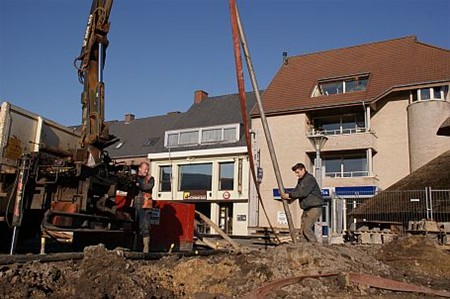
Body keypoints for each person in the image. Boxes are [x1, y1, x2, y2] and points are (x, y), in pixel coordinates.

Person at [281, 162, 324, 243]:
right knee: (303, 230)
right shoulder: (301, 181)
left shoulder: (309, 179)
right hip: (307, 209)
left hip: (314, 208)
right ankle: (304, 247)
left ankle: (316, 247)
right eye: (296, 173)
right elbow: (296, 191)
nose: (297, 174)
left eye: (298, 172)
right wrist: (290, 199)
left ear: (303, 169)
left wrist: (289, 195)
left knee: (307, 229)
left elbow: (302, 192)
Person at [133, 161, 155, 253]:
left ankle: (145, 250)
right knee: (135, 227)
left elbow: (147, 187)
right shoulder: (135, 178)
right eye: (145, 169)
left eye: (147, 169)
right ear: (140, 169)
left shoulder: (150, 179)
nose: (146, 171)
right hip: (136, 205)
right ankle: (135, 248)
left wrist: (138, 183)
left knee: (145, 227)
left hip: (145, 206)